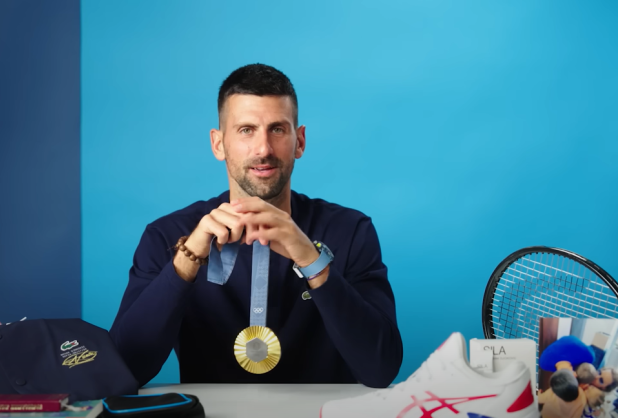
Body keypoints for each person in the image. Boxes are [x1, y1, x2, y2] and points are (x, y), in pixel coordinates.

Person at [109, 63, 403, 388]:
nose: (263, 149)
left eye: (277, 129)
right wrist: (187, 260)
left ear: (299, 141)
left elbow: (381, 369)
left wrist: (312, 260)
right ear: (218, 144)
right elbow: (125, 368)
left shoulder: (350, 231)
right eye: (246, 130)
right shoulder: (166, 235)